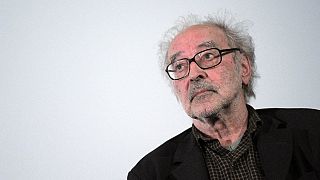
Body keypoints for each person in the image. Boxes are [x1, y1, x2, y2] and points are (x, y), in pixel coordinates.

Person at [127, 14, 320, 180]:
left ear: (243, 68)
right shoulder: (149, 174)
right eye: (179, 66)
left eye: (208, 56)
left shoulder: (313, 130)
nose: (194, 74)